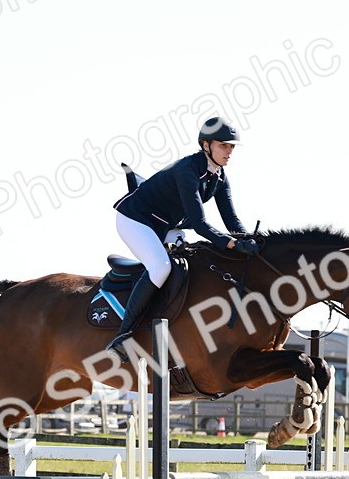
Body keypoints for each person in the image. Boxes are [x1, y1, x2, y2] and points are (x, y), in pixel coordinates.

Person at [106, 116, 256, 360]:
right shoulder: (187, 170)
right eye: (223, 145)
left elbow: (231, 219)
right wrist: (231, 244)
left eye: (231, 147)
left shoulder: (219, 177)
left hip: (167, 225)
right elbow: (199, 223)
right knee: (161, 267)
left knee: (189, 265)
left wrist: (251, 239)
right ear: (206, 145)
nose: (229, 151)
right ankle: (123, 336)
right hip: (136, 219)